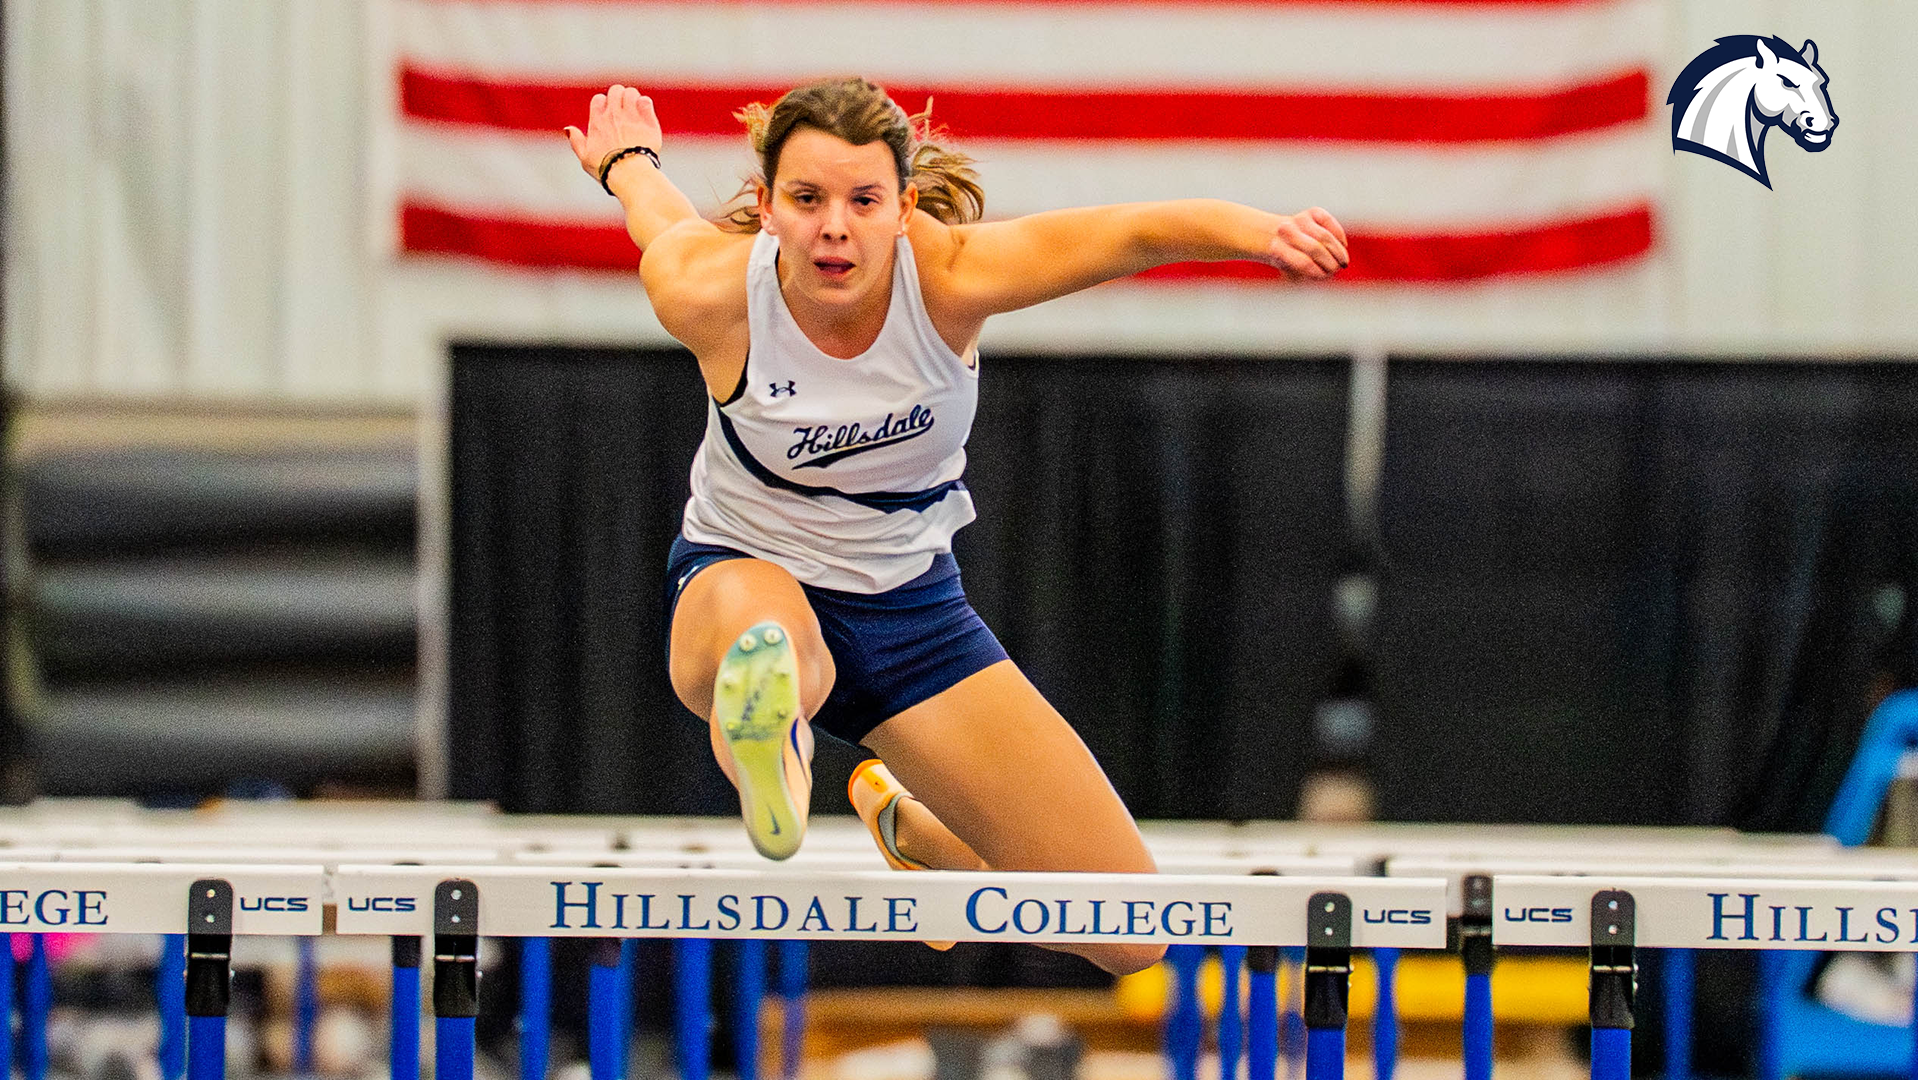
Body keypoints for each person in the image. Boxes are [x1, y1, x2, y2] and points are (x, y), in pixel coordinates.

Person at [565, 77, 1346, 976]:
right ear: (768, 209)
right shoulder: (710, 292)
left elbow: (1126, 233)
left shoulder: (949, 278)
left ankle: (908, 819)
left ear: (903, 209)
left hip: (912, 618)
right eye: (806, 200)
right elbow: (660, 220)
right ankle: (773, 751)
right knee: (778, 647)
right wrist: (627, 164)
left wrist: (1262, 234)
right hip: (746, 576)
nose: (834, 229)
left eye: (863, 201)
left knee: (1131, 935)